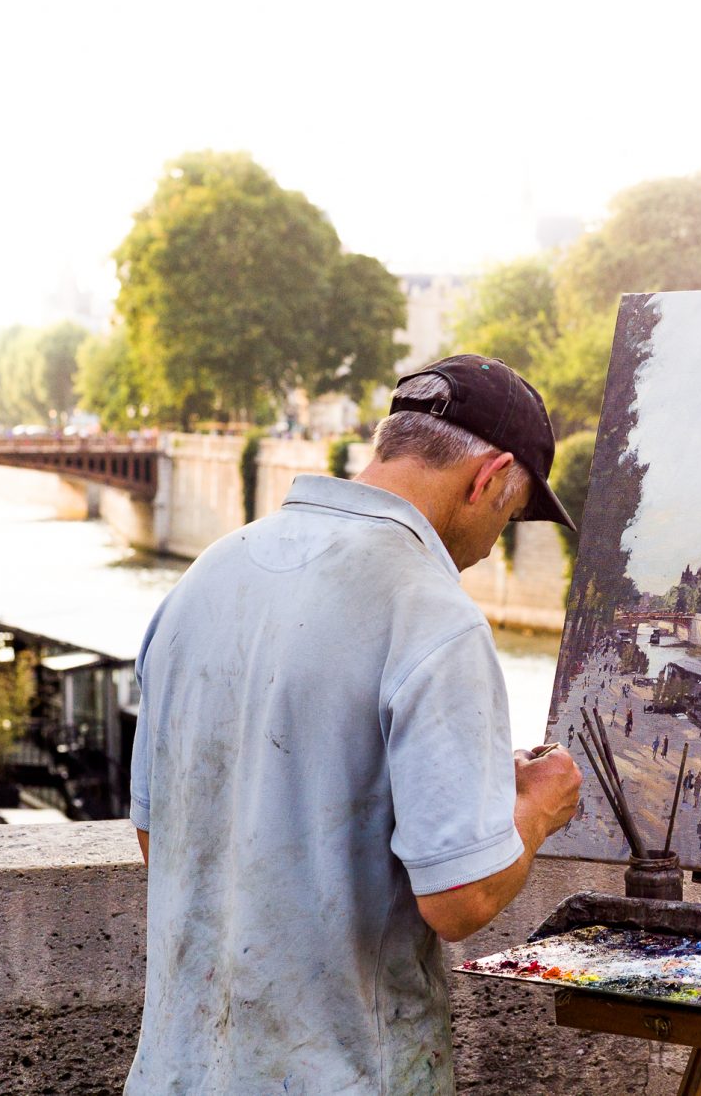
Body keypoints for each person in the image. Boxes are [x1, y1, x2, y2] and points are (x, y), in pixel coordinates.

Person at [125, 356, 584, 1095]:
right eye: (512, 510)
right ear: (490, 476)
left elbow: (163, 834)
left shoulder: (209, 572)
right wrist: (535, 808)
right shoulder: (432, 613)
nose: (498, 538)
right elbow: (460, 897)